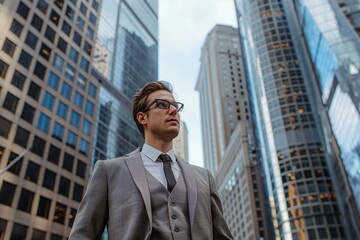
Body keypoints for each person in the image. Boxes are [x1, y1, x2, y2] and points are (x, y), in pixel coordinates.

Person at [69, 81, 233, 239]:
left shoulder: (204, 177)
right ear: (142, 118)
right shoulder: (108, 171)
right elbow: (83, 235)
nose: (173, 111)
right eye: (162, 105)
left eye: (176, 106)